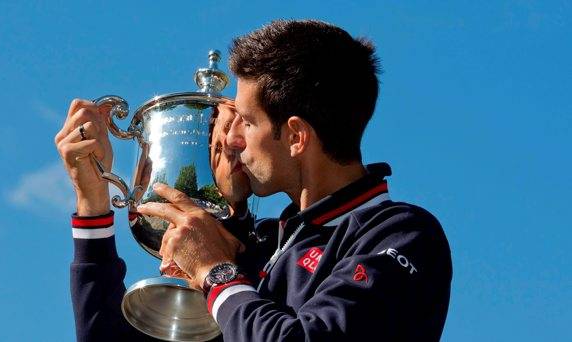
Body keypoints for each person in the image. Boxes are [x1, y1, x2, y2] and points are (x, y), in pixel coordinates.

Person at [138, 20, 452, 341]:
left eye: (246, 121)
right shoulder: (265, 243)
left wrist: (215, 272)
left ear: (296, 137)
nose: (233, 138)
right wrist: (94, 213)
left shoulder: (402, 235)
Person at [55, 100, 267, 341]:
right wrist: (91, 198)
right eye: (214, 145)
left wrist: (215, 271)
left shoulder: (281, 251)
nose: (231, 143)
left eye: (244, 126)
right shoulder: (171, 310)